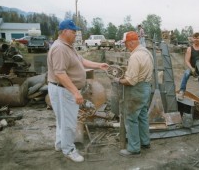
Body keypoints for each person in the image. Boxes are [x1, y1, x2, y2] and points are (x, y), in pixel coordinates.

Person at [47, 19, 109, 162]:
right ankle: (68, 150)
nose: (76, 34)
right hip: (63, 90)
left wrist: (99, 65)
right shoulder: (60, 49)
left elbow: (81, 61)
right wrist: (75, 92)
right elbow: (60, 73)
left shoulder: (68, 46)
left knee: (62, 120)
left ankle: (60, 144)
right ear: (65, 32)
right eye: (74, 32)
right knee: (68, 122)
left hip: (63, 89)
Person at [115, 31, 153, 157]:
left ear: (131, 42)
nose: (126, 46)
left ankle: (134, 148)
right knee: (142, 116)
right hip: (146, 87)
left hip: (136, 90)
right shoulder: (147, 52)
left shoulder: (135, 56)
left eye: (126, 43)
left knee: (131, 118)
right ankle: (145, 142)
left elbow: (131, 80)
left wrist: (118, 80)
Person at [178, 32, 199, 101]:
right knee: (186, 73)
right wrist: (192, 69)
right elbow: (186, 61)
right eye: (194, 38)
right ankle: (182, 91)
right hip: (193, 68)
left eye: (197, 38)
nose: (195, 39)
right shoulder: (190, 49)